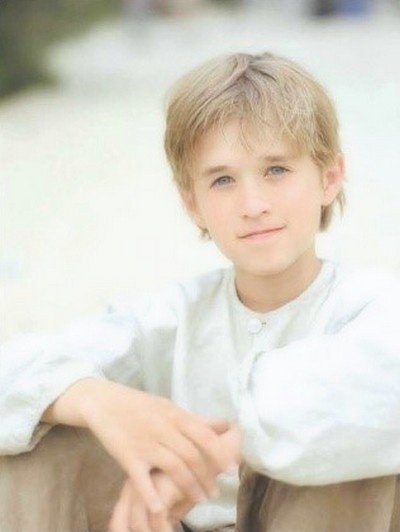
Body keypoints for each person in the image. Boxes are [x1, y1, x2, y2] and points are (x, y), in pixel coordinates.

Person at [1, 51, 399, 532]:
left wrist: (225, 448)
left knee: (348, 443)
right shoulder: (171, 316)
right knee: (40, 430)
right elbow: (16, 370)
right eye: (223, 180)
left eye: (276, 170)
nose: (253, 204)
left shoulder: (372, 302)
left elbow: (382, 381)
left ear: (329, 178)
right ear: (193, 203)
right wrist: (96, 401)